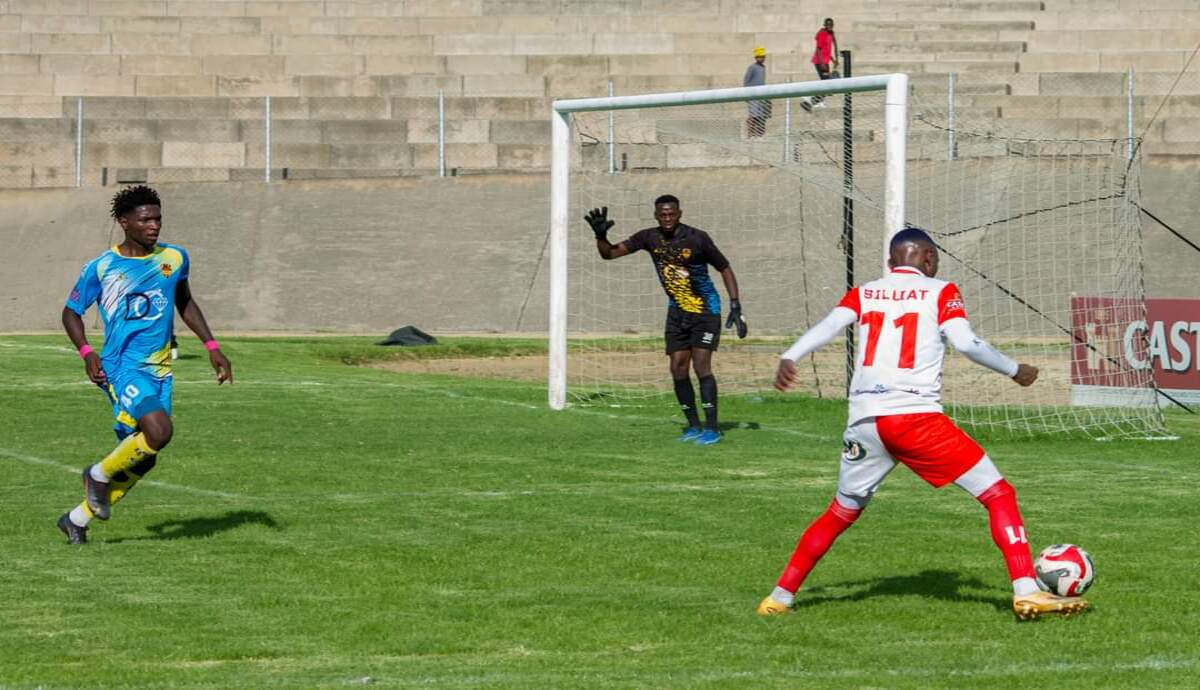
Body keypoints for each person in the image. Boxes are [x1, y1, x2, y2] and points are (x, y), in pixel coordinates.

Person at [756, 227, 1090, 620]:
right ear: (929, 260)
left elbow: (831, 325)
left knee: (840, 512)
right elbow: (966, 343)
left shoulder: (865, 291)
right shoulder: (941, 291)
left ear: (890, 263)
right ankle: (1027, 590)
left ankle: (778, 598)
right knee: (998, 494)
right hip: (913, 418)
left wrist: (790, 355)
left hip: (864, 421)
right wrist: (1015, 370)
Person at [56, 185, 233, 545]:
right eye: (145, 219)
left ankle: (76, 519)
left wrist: (212, 346)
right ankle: (96, 474)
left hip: (160, 369)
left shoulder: (174, 258)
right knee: (159, 431)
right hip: (121, 367)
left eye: (158, 219)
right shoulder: (103, 266)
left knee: (143, 459)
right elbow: (71, 312)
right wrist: (88, 353)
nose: (154, 226)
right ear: (124, 222)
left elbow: (184, 300)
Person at [585, 196, 746, 445]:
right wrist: (600, 237)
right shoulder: (649, 238)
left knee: (701, 365)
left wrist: (735, 304)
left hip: (705, 310)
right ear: (656, 216)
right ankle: (693, 425)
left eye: (671, 214)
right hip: (677, 312)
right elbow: (610, 254)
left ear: (679, 213)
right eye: (663, 214)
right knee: (677, 368)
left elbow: (724, 267)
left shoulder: (697, 238)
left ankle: (712, 428)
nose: (667, 218)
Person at [801, 17, 839, 112]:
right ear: (825, 25)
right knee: (827, 83)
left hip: (825, 61)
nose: (830, 27)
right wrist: (822, 63)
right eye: (828, 25)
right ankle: (810, 100)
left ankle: (812, 101)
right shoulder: (822, 33)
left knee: (827, 83)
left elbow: (827, 50)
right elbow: (819, 49)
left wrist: (833, 60)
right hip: (819, 61)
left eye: (831, 25)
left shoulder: (831, 33)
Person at [743, 46, 771, 137]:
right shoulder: (752, 67)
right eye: (760, 57)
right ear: (756, 58)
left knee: (761, 116)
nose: (762, 58)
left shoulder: (763, 67)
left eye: (763, 57)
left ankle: (759, 134)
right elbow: (746, 81)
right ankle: (750, 133)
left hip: (761, 95)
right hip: (753, 95)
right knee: (753, 115)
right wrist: (747, 94)